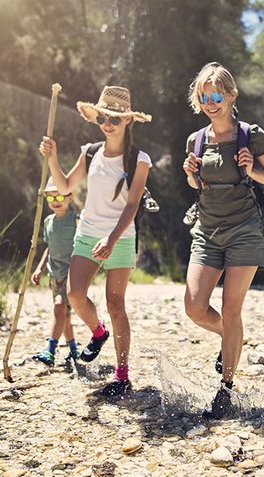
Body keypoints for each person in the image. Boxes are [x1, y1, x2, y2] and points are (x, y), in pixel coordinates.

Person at [182, 62, 264, 419]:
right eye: (204, 96)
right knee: (194, 306)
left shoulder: (250, 135)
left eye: (217, 95)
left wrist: (252, 167)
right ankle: (232, 339)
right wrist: (192, 175)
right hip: (207, 231)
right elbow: (198, 188)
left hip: (244, 230)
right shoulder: (196, 140)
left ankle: (225, 389)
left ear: (230, 95)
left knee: (230, 308)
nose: (211, 102)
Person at [39, 86, 152, 397]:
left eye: (115, 118)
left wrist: (112, 239)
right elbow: (64, 185)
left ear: (128, 121)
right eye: (103, 117)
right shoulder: (90, 152)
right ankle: (97, 332)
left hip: (121, 238)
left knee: (116, 304)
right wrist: (52, 157)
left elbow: (132, 205)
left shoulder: (139, 159)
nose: (108, 123)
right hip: (87, 235)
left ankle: (122, 375)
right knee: (75, 295)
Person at [30, 178, 79, 367]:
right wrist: (40, 268)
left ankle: (50, 350)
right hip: (54, 275)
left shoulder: (76, 220)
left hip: (71, 274)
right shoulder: (48, 221)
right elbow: (48, 247)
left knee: (59, 308)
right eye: (50, 198)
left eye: (59, 196)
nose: (55, 201)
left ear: (70, 197)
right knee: (64, 315)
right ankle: (74, 350)